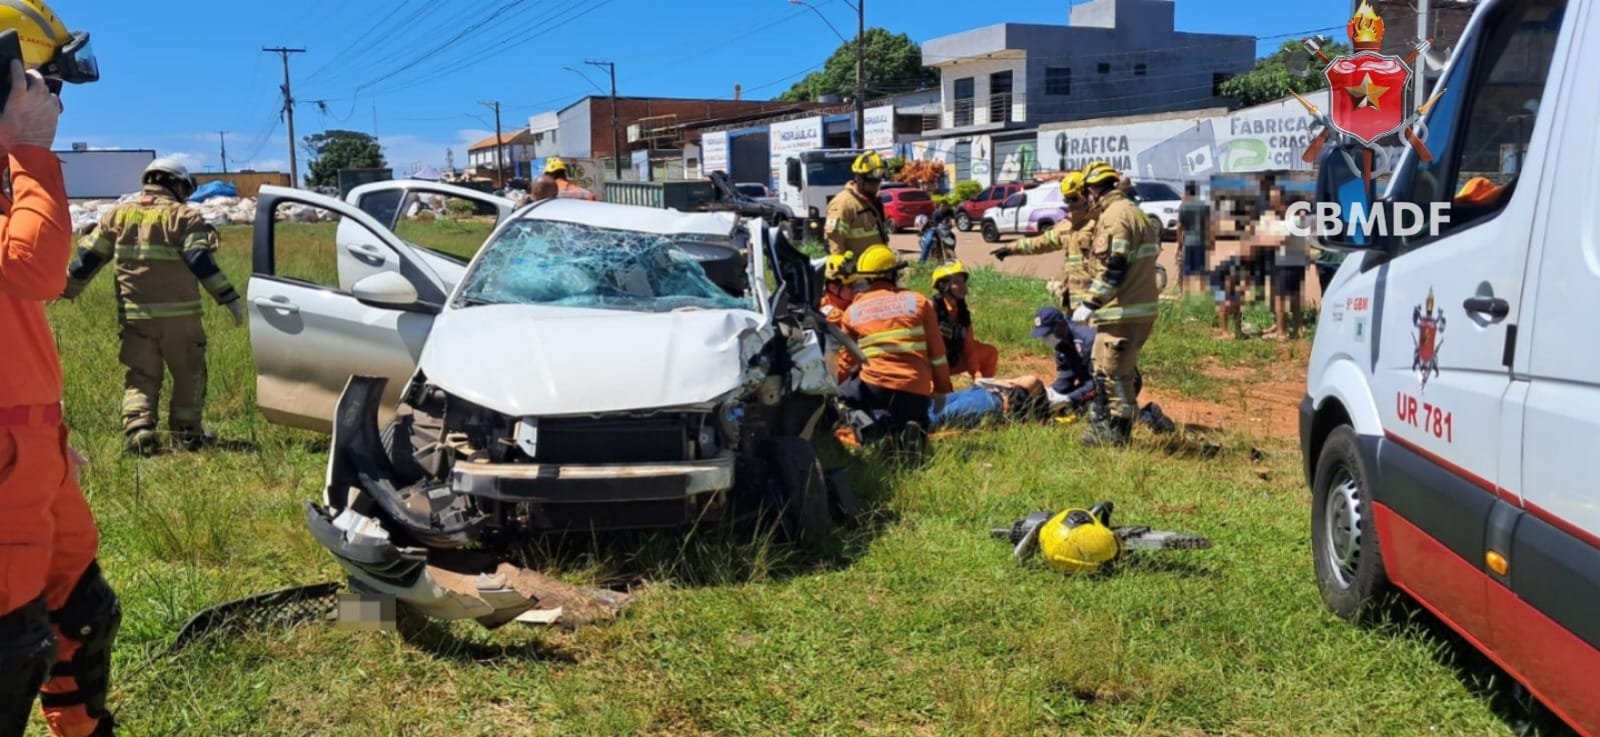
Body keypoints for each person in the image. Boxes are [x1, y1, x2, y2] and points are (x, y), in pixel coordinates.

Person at [0, 4, 120, 735]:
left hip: (29, 448)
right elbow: (35, 269)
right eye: (40, 83)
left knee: (82, 611)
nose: (54, 102)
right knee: (12, 646)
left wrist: (45, 434)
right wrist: (30, 150)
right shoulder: (23, 168)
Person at [64, 159, 244, 455]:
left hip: (135, 317)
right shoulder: (184, 217)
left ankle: (139, 428)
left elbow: (88, 260)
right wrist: (229, 299)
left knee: (141, 376)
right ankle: (186, 435)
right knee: (189, 374)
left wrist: (67, 289)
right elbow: (199, 260)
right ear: (176, 184)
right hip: (180, 318)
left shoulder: (116, 215)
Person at [1074, 161, 1162, 447]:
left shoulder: (1115, 217)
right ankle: (1106, 429)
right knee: (1104, 370)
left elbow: (1115, 266)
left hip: (1123, 311)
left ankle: (1117, 435)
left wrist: (1090, 303)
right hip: (1132, 309)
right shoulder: (1133, 212)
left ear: (1092, 190)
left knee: (1113, 374)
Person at [837, 244, 951, 446]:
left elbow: (847, 361)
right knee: (914, 419)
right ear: (893, 274)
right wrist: (942, 389)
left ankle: (869, 426)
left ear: (866, 279)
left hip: (875, 390)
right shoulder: (919, 302)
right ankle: (909, 429)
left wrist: (833, 387)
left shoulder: (852, 312)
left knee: (842, 396)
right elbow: (938, 353)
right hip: (915, 390)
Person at [991, 172, 1092, 309]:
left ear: (1087, 195)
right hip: (1072, 300)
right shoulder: (1067, 225)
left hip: (1092, 302)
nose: (1070, 204)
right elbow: (1042, 242)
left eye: (1074, 199)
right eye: (1066, 200)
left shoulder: (1099, 223)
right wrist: (1011, 248)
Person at [930, 261, 998, 380]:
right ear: (943, 286)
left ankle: (984, 388)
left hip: (953, 359)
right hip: (931, 364)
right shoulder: (931, 308)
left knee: (989, 353)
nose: (963, 286)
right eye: (956, 282)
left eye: (963, 281)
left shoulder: (962, 311)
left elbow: (969, 346)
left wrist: (976, 374)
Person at [823, 151, 890, 255]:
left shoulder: (873, 202)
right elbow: (834, 243)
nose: (876, 186)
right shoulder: (843, 203)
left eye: (878, 181)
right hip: (855, 265)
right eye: (872, 182)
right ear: (859, 179)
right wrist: (841, 262)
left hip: (875, 263)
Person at [818, 250, 859, 383]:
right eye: (850, 286)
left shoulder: (849, 302)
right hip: (838, 374)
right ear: (833, 288)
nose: (855, 289)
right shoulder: (826, 309)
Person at [1174, 181, 1211, 294]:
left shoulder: (1183, 206)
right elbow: (1208, 226)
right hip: (1201, 242)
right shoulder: (1204, 206)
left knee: (1187, 271)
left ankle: (1186, 295)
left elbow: (1179, 227)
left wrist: (1179, 244)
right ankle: (1202, 294)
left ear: (1186, 191)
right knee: (1201, 271)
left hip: (1188, 243)